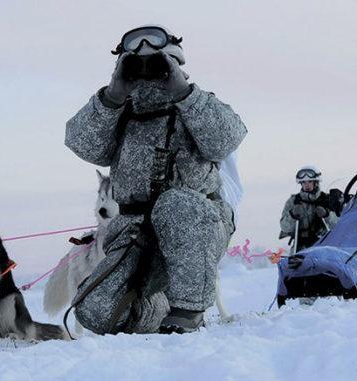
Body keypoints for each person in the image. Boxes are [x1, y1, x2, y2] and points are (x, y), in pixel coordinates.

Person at [65, 25, 247, 333]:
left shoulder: (197, 105)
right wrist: (113, 96)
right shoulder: (120, 113)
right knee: (94, 311)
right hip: (135, 231)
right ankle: (160, 309)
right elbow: (82, 143)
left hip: (196, 226)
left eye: (157, 62)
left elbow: (226, 139)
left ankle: (187, 312)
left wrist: (183, 93)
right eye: (137, 62)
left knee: (175, 204)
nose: (148, 70)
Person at [279, 165, 338, 252]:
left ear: (316, 182)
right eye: (304, 182)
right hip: (300, 247)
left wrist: (327, 215)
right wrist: (292, 215)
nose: (306, 185)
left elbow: (339, 226)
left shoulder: (327, 200)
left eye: (310, 181)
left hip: (324, 245)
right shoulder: (293, 201)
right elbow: (284, 227)